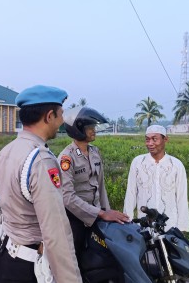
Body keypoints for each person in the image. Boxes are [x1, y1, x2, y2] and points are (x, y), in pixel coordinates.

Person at [0, 85, 82, 283]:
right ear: (49, 116)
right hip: (27, 267)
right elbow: (56, 232)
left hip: (4, 255)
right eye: (60, 115)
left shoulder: (7, 151)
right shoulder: (41, 160)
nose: (61, 122)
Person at [58, 106, 130, 263]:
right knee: (73, 259)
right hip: (75, 219)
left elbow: (101, 186)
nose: (94, 130)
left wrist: (107, 212)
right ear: (77, 129)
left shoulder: (95, 152)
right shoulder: (66, 158)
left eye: (94, 126)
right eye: (90, 127)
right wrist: (101, 213)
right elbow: (68, 197)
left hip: (97, 215)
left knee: (101, 257)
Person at [123, 124, 189, 232]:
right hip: (144, 226)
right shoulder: (138, 162)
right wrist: (128, 223)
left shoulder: (176, 165)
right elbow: (130, 194)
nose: (150, 143)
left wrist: (181, 228)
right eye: (147, 140)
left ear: (165, 139)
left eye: (154, 139)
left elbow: (181, 198)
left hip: (170, 226)